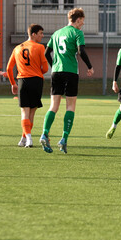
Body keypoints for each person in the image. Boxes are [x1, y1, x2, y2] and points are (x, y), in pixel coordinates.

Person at [40, 8, 94, 154]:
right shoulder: (77, 33)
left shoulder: (57, 33)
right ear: (77, 20)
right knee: (70, 106)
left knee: (53, 106)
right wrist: (89, 66)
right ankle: (64, 139)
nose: (83, 24)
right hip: (70, 72)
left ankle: (45, 133)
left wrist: (55, 67)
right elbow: (81, 51)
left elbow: (46, 53)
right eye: (82, 20)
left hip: (56, 72)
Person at [6, 24, 49, 148]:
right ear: (33, 34)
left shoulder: (17, 48)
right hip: (36, 81)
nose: (42, 35)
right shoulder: (40, 47)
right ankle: (28, 138)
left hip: (22, 81)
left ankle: (25, 138)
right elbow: (45, 68)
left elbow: (9, 68)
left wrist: (12, 83)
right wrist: (37, 72)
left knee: (24, 111)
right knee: (32, 113)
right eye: (41, 33)